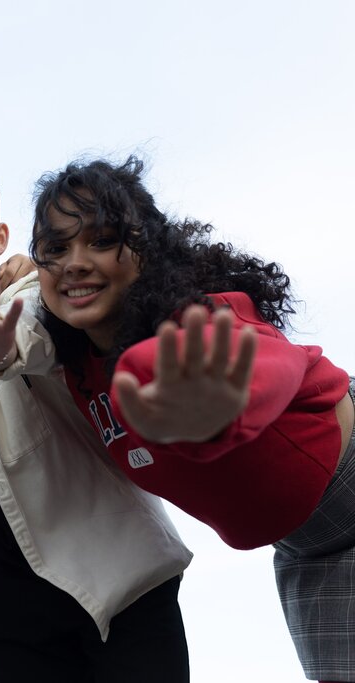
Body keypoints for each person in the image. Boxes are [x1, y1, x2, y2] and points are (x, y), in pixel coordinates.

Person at [25, 156, 354, 683]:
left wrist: (217, 411)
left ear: (145, 250)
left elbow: (263, 362)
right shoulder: (79, 368)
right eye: (55, 248)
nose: (75, 262)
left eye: (102, 240)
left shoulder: (195, 321)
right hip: (310, 549)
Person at [0, 157, 192, 682]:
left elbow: (32, 341)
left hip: (120, 577)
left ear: (0, 238)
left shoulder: (35, 297)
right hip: (17, 598)